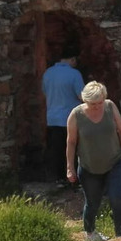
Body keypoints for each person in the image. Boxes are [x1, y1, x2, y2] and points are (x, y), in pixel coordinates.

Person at [66, 81, 121, 241]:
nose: (97, 107)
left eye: (100, 103)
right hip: (89, 167)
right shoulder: (76, 115)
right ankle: (90, 234)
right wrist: (70, 168)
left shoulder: (110, 107)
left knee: (117, 197)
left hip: (114, 162)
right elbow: (71, 142)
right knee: (92, 202)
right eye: (93, 104)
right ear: (85, 101)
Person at [42, 49, 84, 183]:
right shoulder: (74, 74)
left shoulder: (47, 73)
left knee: (56, 150)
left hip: (52, 118)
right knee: (72, 150)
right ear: (72, 59)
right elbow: (82, 96)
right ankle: (73, 179)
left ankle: (57, 179)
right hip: (70, 118)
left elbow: (45, 93)